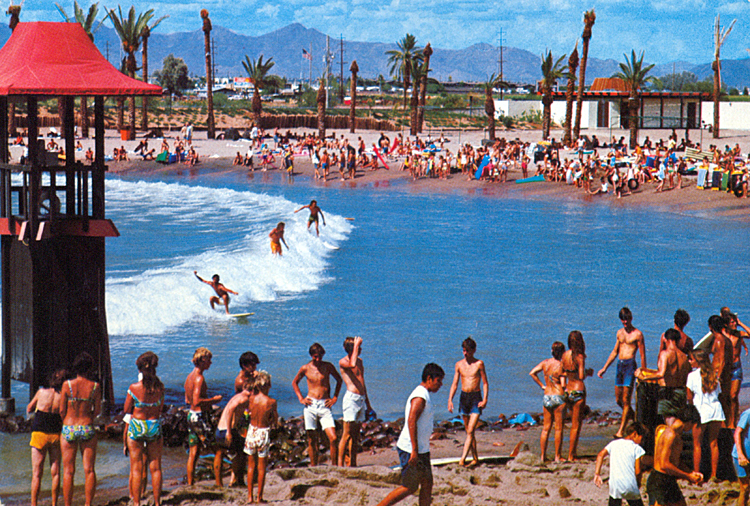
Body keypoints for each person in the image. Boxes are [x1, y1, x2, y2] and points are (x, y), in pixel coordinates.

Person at [376, 363, 445, 506]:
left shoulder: (424, 395)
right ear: (429, 378)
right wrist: (414, 450)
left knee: (427, 483)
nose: (441, 384)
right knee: (409, 486)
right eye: (439, 380)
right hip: (410, 448)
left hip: (421, 449)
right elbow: (411, 420)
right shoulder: (419, 396)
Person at [598, 307, 647, 438]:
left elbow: (642, 354)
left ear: (631, 318)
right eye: (623, 320)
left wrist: (643, 371)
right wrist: (604, 368)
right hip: (620, 365)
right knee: (618, 399)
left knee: (626, 400)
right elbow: (615, 351)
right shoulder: (619, 333)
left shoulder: (638, 334)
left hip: (630, 365)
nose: (625, 322)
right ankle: (634, 417)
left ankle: (621, 431)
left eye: (627, 319)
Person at [60, 352, 101, 506]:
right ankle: (88, 504)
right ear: (89, 369)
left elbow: (62, 410)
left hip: (69, 427)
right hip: (86, 426)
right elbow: (97, 411)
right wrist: (88, 416)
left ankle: (68, 504)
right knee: (89, 470)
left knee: (68, 471)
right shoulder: (95, 386)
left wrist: (67, 420)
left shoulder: (67, 385)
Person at [124, 352, 164, 506]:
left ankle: (136, 503)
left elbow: (127, 409)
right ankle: (157, 502)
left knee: (136, 467)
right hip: (154, 425)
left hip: (137, 426)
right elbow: (160, 408)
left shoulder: (134, 388)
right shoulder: (160, 387)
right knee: (155, 467)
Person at [292, 342, 342, 466]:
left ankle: (335, 467)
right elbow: (294, 382)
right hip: (310, 405)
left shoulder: (328, 366)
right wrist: (301, 398)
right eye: (315, 356)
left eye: (320, 356)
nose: (318, 359)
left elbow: (339, 380)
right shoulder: (305, 368)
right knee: (312, 440)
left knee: (333, 438)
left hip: (325, 405)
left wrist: (335, 397)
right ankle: (314, 468)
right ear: (311, 356)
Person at [635, 328, 691, 427]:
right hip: (681, 392)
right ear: (677, 340)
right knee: (677, 420)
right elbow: (688, 375)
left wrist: (643, 378)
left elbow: (661, 373)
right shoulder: (684, 356)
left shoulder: (665, 354)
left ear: (666, 339)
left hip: (668, 392)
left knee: (669, 423)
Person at [447, 337, 489, 467]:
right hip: (464, 398)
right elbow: (455, 384)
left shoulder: (479, 364)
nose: (465, 353)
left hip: (476, 398)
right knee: (469, 433)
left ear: (474, 350)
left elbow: (485, 383)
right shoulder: (459, 364)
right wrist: (450, 400)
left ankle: (462, 460)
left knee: (470, 431)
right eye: (464, 351)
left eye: (468, 351)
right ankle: (475, 458)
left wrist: (485, 399)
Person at [184, 347, 223, 486]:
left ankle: (190, 484)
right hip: (200, 417)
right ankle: (219, 484)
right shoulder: (199, 378)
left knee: (193, 451)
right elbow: (196, 401)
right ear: (202, 361)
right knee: (218, 450)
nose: (211, 363)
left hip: (191, 416)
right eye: (209, 360)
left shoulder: (189, 377)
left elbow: (187, 401)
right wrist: (214, 400)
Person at [28, 369, 66, 506]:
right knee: (55, 473)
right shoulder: (62, 397)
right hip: (55, 434)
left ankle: (34, 504)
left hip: (39, 434)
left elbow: (29, 408)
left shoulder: (41, 392)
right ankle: (54, 504)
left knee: (37, 474)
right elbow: (64, 414)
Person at [687, 349, 725, 482]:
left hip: (700, 411)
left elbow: (689, 397)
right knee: (713, 443)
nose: (689, 361)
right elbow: (718, 393)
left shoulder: (692, 376)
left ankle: (697, 474)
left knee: (697, 444)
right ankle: (714, 475)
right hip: (715, 409)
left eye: (691, 359)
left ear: (697, 361)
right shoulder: (713, 374)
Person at [646, 418, 702, 506]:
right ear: (689, 422)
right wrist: (687, 476)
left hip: (668, 480)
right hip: (659, 480)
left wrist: (691, 472)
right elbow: (664, 465)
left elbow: (676, 461)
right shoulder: (670, 435)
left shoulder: (676, 436)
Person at [338, 336, 374, 467]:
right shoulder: (344, 361)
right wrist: (356, 345)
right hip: (351, 400)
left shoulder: (360, 361)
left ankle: (353, 463)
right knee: (346, 434)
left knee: (355, 435)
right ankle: (339, 465)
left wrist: (368, 404)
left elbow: (362, 383)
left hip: (361, 399)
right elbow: (351, 365)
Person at [594, 422, 650, 506]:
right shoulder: (637, 448)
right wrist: (638, 482)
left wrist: (597, 474)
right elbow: (638, 471)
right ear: (635, 434)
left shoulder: (614, 443)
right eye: (642, 438)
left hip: (615, 484)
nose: (642, 442)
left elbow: (600, 455)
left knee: (614, 501)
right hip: (630, 484)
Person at [529, 341, 567, 462]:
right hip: (558, 395)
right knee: (558, 428)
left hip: (547, 395)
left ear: (551, 351)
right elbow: (563, 384)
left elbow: (532, 373)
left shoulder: (545, 363)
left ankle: (543, 456)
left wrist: (542, 385)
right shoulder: (562, 365)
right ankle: (557, 456)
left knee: (546, 428)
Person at [214, 378, 255, 488]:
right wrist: (229, 431)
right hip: (226, 431)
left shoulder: (237, 396)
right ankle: (236, 481)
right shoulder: (244, 398)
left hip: (219, 429)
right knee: (241, 452)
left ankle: (220, 483)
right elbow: (231, 410)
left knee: (220, 452)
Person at [245, 371, 278, 503]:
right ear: (268, 385)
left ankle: (249, 496)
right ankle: (259, 496)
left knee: (251, 466)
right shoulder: (271, 402)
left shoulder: (251, 398)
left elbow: (248, 412)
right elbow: (275, 420)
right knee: (261, 467)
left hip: (251, 431)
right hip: (263, 432)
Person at [562, 331, 593, 461]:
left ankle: (569, 453)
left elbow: (564, 372)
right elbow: (581, 376)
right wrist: (588, 372)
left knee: (570, 425)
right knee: (576, 425)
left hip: (568, 390)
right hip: (578, 390)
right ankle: (571, 454)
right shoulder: (580, 357)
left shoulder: (565, 355)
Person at [734, 406, 750, 506]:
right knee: (745, 488)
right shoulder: (748, 413)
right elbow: (737, 433)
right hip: (741, 455)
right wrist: (740, 455)